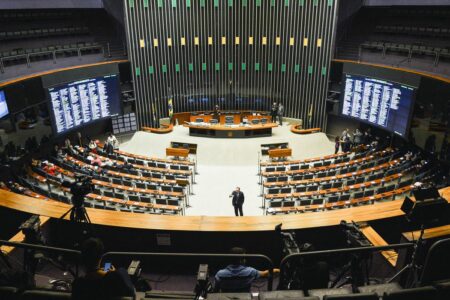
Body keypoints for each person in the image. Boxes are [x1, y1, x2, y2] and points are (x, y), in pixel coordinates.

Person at [214, 247, 279, 293]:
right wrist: (279, 270)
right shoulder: (250, 272)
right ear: (241, 260)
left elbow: (215, 290)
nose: (245, 260)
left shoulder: (219, 274)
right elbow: (265, 273)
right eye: (244, 258)